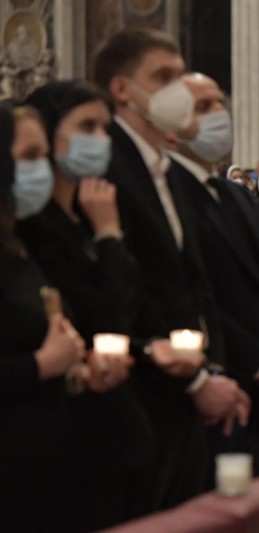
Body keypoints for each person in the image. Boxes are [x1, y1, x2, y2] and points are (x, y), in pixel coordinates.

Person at [94, 28, 248, 511]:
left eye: (181, 76)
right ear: (122, 89)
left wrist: (214, 368)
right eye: (164, 77)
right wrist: (195, 381)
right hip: (146, 389)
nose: (178, 89)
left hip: (193, 385)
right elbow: (134, 288)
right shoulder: (108, 165)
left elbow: (194, 281)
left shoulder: (165, 166)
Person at [18, 80, 155, 531]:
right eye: (87, 126)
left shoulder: (84, 212)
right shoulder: (37, 228)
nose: (102, 139)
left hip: (115, 416)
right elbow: (101, 314)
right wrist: (111, 236)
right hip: (71, 432)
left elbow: (130, 301)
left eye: (105, 126)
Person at [168, 72, 259, 480]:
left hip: (258, 390)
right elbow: (190, 293)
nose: (218, 115)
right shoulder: (168, 193)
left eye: (219, 103)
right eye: (203, 107)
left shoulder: (234, 194)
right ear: (171, 128)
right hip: (212, 385)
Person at [0, 103, 86, 533]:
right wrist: (43, 363)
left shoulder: (21, 241)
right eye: (29, 157)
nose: (45, 171)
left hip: (44, 456)